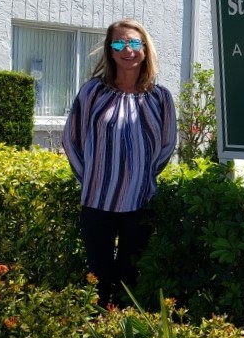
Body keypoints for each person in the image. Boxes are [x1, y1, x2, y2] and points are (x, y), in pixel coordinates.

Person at [62, 19, 177, 306]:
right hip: (96, 201)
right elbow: (71, 139)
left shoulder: (160, 98)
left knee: (130, 277)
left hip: (140, 202)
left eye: (135, 43)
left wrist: (144, 179)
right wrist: (90, 179)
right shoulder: (93, 92)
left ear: (145, 49)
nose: (128, 49)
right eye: (119, 43)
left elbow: (167, 145)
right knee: (98, 277)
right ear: (110, 52)